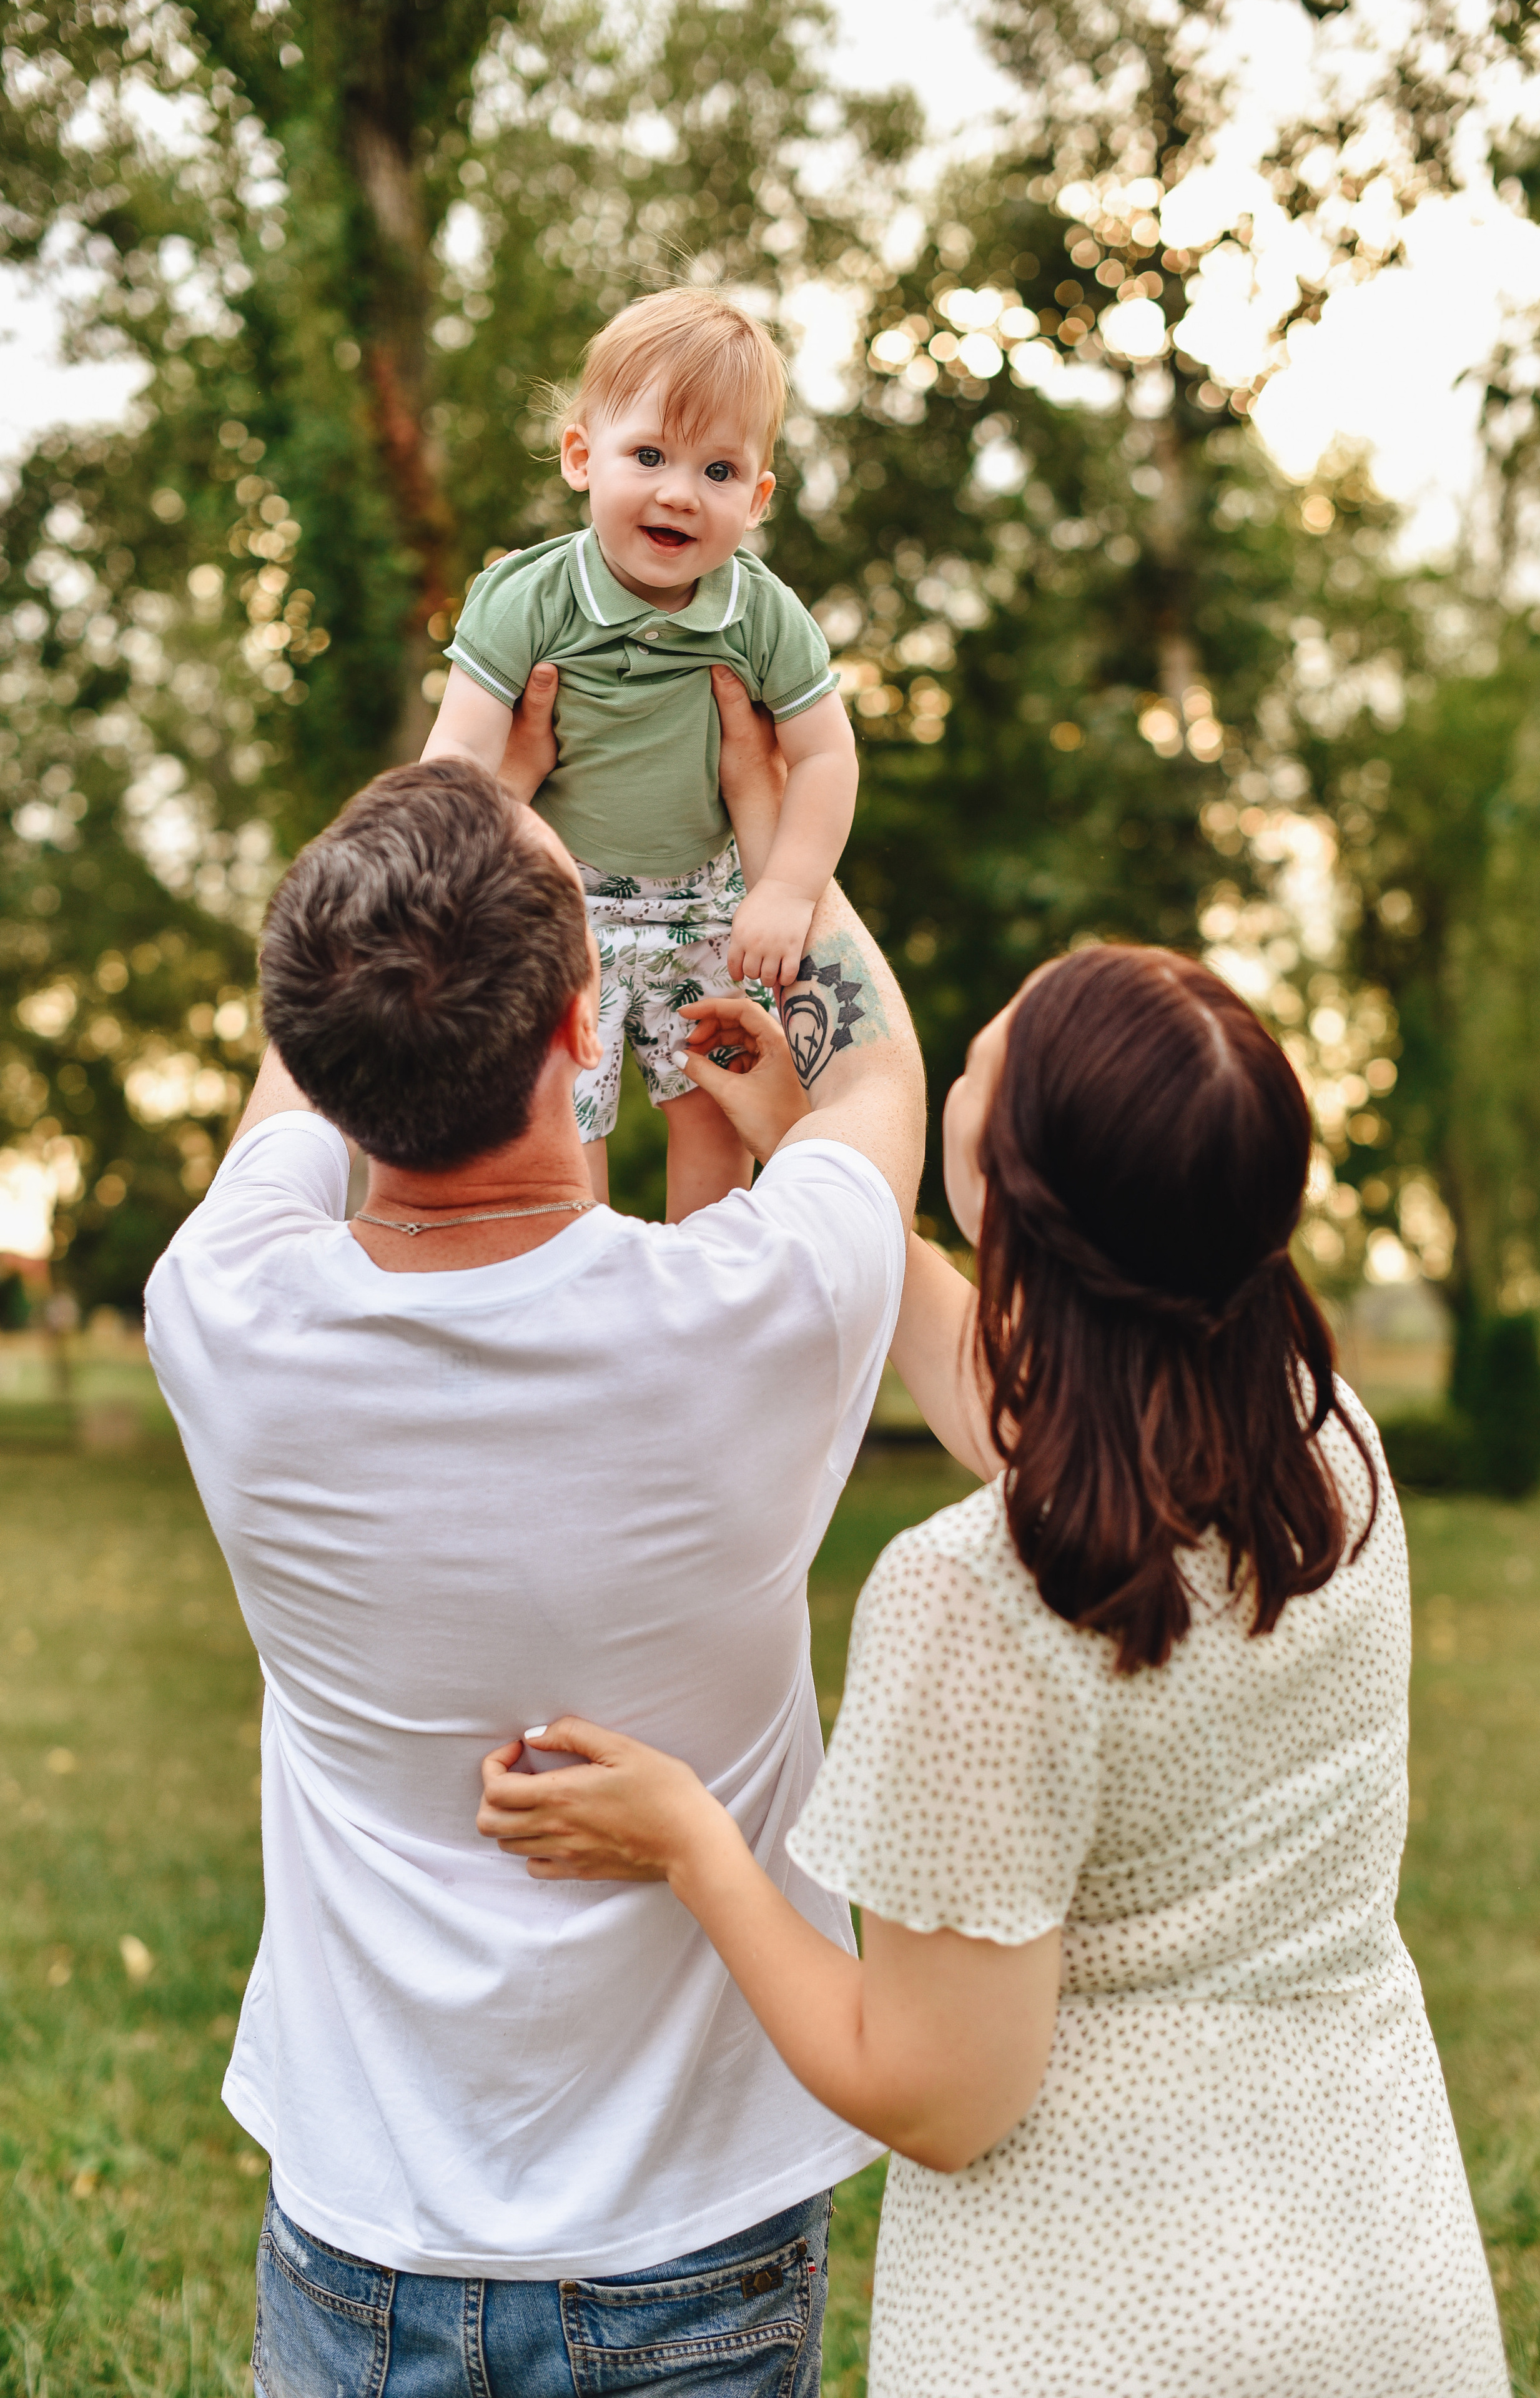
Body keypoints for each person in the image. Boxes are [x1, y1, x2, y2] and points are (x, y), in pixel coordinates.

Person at [478, 935, 1512, 2396]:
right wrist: (804, 1157)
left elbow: (935, 2094)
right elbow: (1047, 1391)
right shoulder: (1316, 1440)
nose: (977, 1040)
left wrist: (691, 1843)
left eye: (987, 1058)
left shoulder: (977, 1598)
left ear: (1007, 1191)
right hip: (1369, 2267)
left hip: (1098, 2316)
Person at [142, 669, 922, 2398]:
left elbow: (314, 1048)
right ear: (587, 1031)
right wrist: (769, 832)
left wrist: (454, 773)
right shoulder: (759, 1309)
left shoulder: (224, 1317)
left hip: (357, 2242)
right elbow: (878, 1088)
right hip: (688, 2249)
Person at [423, 284, 858, 1221]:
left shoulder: (764, 615)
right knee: (556, 1107)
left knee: (714, 1092)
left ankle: (698, 1280)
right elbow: (457, 751)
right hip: (559, 896)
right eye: (650, 454)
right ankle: (585, 1278)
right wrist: (452, 886)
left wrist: (784, 889)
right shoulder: (525, 597)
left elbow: (826, 756)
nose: (678, 492)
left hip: (707, 902)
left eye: (718, 471)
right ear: (583, 456)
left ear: (758, 497)